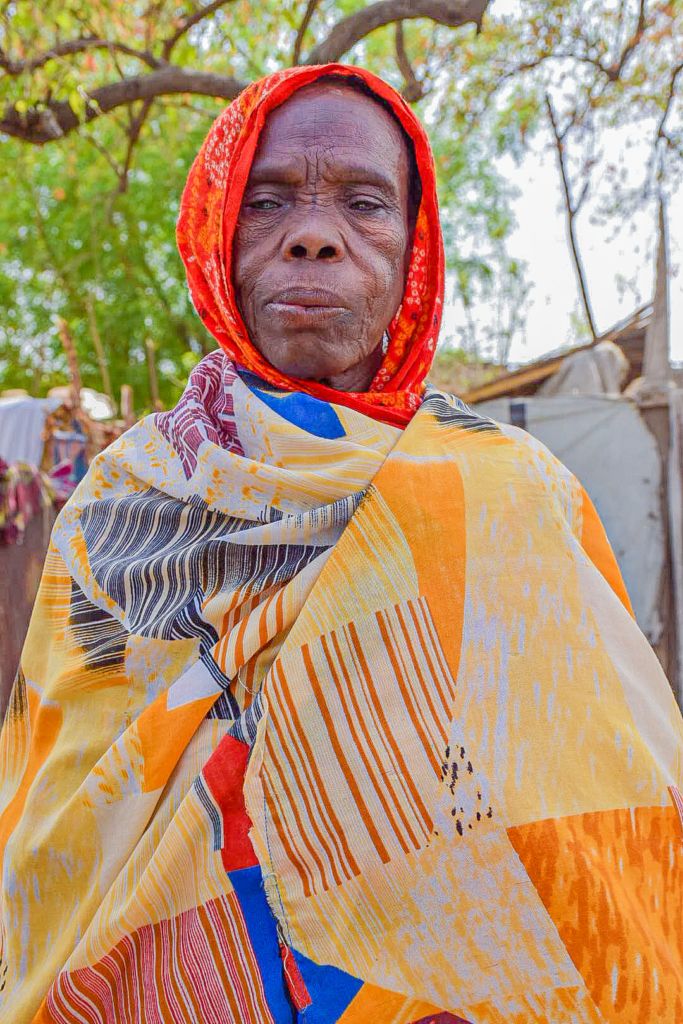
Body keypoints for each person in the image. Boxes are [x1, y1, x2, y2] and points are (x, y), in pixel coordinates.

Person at [0, 63, 681, 1024]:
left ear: (414, 252)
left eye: (363, 204)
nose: (313, 235)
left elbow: (600, 813)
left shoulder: (509, 491)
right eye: (267, 201)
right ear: (213, 235)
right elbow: (58, 820)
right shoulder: (120, 503)